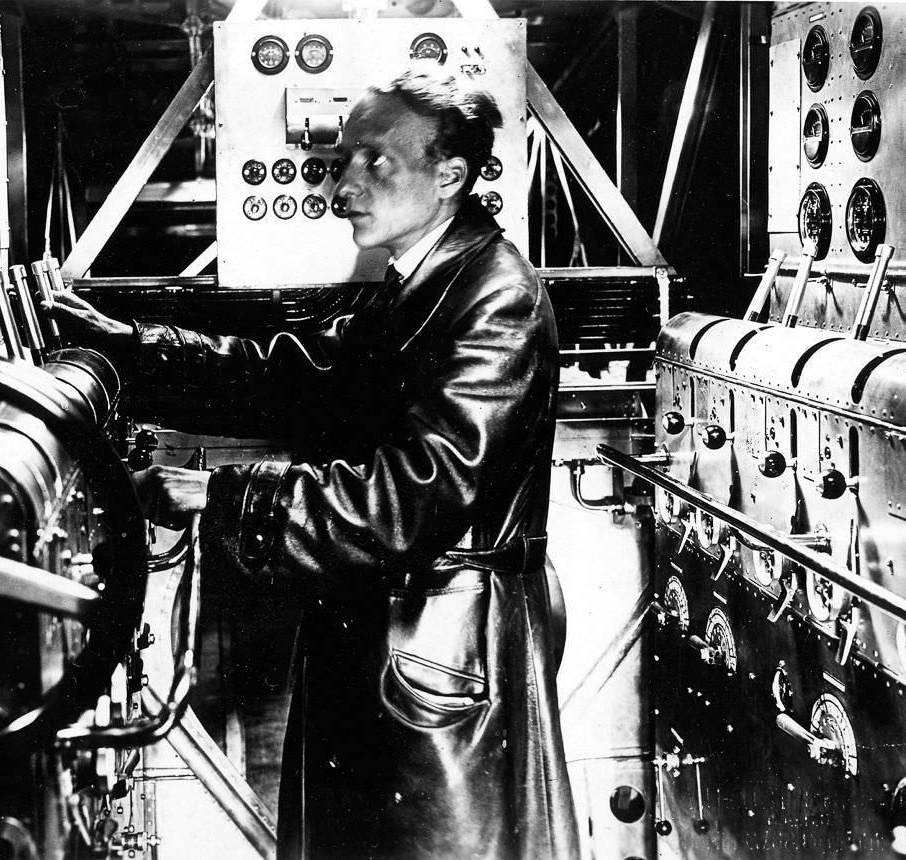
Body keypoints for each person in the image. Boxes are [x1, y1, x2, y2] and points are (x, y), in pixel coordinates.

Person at [46, 69, 577, 860]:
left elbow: (414, 493)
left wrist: (223, 499)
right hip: (394, 630)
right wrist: (129, 348)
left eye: (375, 162)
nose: (344, 186)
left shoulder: (492, 296)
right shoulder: (418, 283)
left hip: (442, 643)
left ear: (450, 177)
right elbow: (288, 375)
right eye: (342, 160)